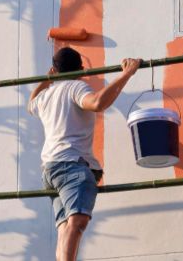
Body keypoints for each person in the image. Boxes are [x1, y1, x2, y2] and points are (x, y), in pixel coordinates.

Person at [28, 47, 141, 261]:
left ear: (54, 70)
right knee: (77, 223)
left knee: (64, 228)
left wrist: (47, 79)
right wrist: (127, 74)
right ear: (81, 69)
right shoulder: (76, 87)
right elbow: (97, 103)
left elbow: (30, 103)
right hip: (71, 165)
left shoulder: (46, 95)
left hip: (50, 171)